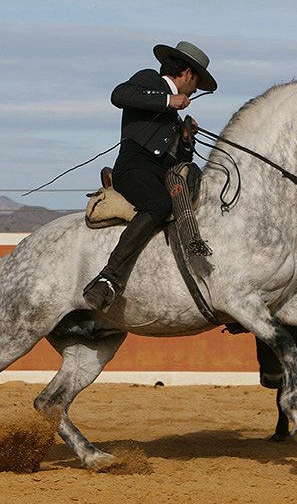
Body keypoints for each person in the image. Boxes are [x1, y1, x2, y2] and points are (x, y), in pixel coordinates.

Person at [83, 41, 218, 311]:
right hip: (134, 167)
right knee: (159, 203)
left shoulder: (175, 118)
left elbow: (180, 162)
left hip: (162, 174)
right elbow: (119, 95)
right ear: (189, 74)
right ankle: (108, 278)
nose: (195, 90)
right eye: (196, 82)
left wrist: (186, 140)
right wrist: (169, 100)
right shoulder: (150, 79)